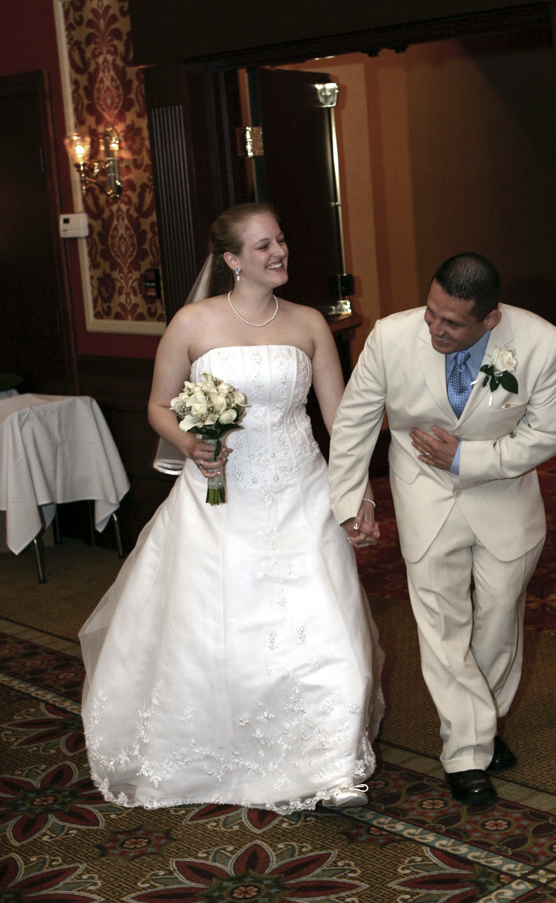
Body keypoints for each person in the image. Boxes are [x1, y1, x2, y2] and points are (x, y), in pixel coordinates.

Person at [79, 203, 383, 813]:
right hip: (222, 498)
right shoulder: (193, 322)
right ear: (232, 260)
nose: (279, 253)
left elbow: (340, 421)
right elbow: (159, 406)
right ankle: (221, 748)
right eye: (264, 245)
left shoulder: (309, 324)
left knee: (327, 623)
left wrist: (360, 495)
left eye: (282, 241)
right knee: (222, 631)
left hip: (300, 491)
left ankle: (332, 763)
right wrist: (193, 442)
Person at [329, 252, 556, 806]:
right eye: (431, 312)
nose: (434, 327)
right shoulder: (390, 337)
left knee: (499, 620)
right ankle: (466, 753)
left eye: (451, 322)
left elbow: (549, 433)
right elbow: (356, 421)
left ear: (490, 319)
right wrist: (351, 500)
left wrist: (468, 458)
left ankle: (478, 727)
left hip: (504, 497)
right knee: (441, 624)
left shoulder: (540, 342)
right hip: (424, 496)